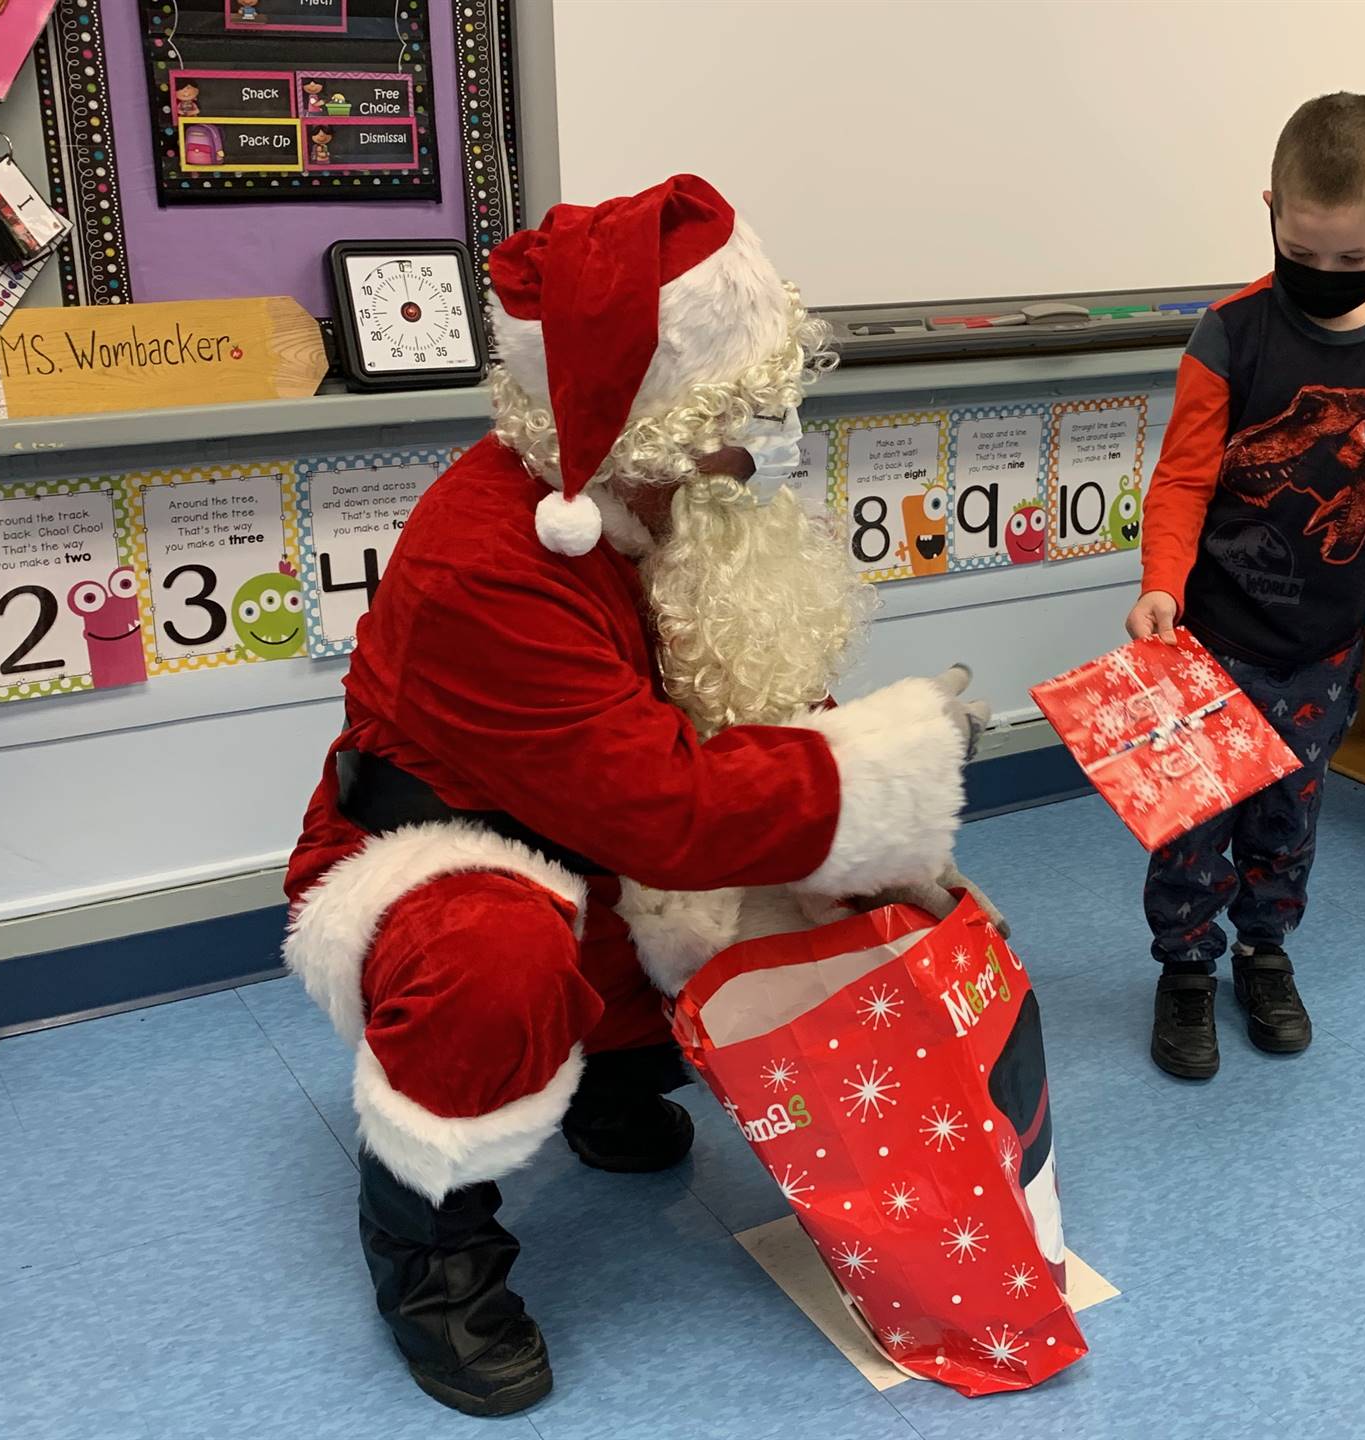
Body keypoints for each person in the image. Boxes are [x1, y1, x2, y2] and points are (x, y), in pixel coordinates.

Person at [282, 176, 987, 1417]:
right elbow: (663, 809)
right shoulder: (487, 565)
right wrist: (883, 781)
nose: (764, 438)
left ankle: (611, 1078)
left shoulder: (668, 506)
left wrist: (887, 833)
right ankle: (431, 1258)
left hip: (602, 824)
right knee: (496, 964)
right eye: (744, 409)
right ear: (656, 417)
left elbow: (747, 721)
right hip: (442, 850)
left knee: (796, 879)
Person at [1126, 93, 1365, 1079]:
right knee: (1191, 821)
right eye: (1300, 251)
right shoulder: (1230, 333)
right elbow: (1183, 477)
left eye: (1352, 260)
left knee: (1287, 819)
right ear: (1273, 208)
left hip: (1323, 646)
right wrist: (1160, 584)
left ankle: (1265, 955)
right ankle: (1186, 969)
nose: (1323, 275)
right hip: (1212, 636)